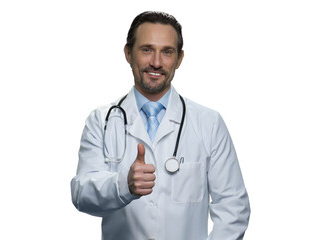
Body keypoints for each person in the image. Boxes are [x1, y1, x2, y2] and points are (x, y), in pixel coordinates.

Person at [71, 11, 250, 240]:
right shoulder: (102, 120)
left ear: (179, 58)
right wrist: (123, 185)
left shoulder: (209, 123)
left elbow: (233, 207)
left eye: (167, 52)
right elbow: (81, 193)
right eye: (146, 50)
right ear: (128, 53)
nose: (156, 62)